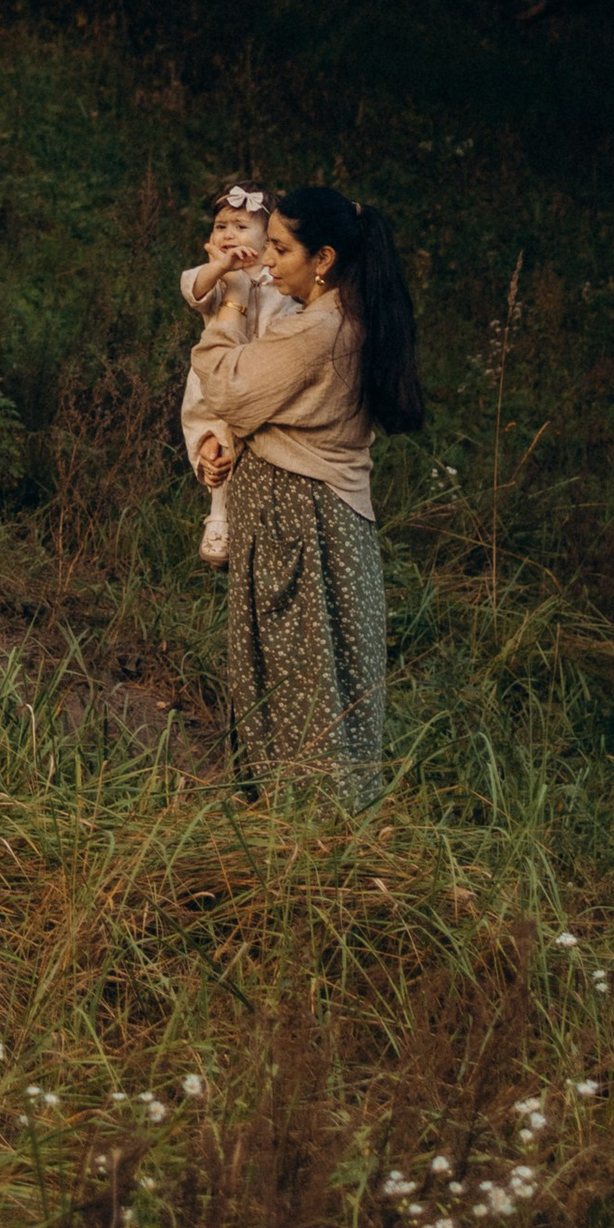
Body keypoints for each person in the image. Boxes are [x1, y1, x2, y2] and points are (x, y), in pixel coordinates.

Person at [189, 183, 422, 805]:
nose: (266, 261)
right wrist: (234, 442)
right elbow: (279, 409)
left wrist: (228, 314)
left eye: (282, 249)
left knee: (297, 677)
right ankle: (305, 823)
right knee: (322, 672)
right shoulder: (348, 315)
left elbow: (229, 388)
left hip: (298, 523)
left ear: (322, 259)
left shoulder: (320, 328)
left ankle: (302, 828)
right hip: (319, 520)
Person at [177, 181, 291, 566]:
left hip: (261, 376)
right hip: (216, 378)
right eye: (221, 226)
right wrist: (222, 268)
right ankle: (218, 515)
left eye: (241, 227)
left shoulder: (280, 280)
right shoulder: (214, 273)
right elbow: (193, 290)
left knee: (257, 445)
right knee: (219, 441)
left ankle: (263, 521)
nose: (228, 234)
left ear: (269, 238)